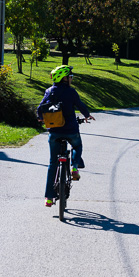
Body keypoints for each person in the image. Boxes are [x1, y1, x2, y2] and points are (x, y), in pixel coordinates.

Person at [36, 65, 94, 207]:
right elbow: (80, 105)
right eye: (70, 77)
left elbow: (40, 108)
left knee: (52, 164)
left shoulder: (49, 91)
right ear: (64, 78)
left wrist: (41, 118)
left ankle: (49, 198)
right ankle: (74, 166)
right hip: (71, 130)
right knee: (77, 145)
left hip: (54, 132)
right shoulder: (71, 92)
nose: (71, 79)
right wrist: (87, 115)